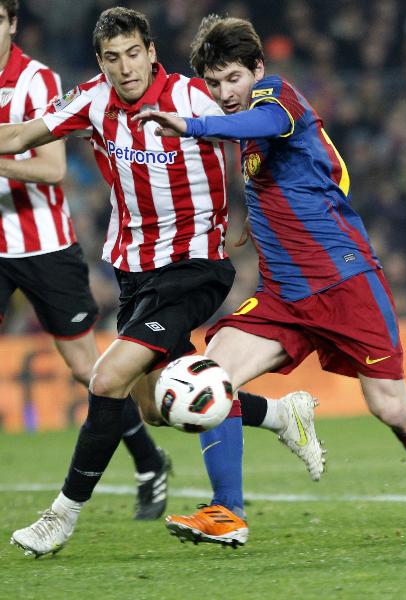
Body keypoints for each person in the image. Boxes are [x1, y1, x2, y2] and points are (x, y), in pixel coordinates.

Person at [5, 7, 324, 558]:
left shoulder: (193, 99)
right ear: (100, 63)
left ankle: (60, 517)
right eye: (112, 58)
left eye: (133, 53)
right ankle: (279, 414)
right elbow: (21, 136)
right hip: (132, 272)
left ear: (151, 52)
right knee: (158, 407)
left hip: (194, 268)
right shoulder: (90, 99)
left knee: (106, 380)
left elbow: (261, 127)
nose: (125, 68)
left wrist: (260, 213)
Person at [134, 14, 406, 548]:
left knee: (391, 408)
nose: (225, 93)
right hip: (284, 296)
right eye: (214, 85)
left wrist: (191, 124)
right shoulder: (245, 128)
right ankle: (226, 512)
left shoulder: (277, 96)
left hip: (345, 284)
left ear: (257, 69)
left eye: (233, 78)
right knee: (211, 376)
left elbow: (260, 126)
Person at [0, 0, 172, 523]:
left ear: (10, 23)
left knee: (85, 369)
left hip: (44, 247)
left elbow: (52, 169)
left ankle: (149, 462)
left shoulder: (36, 80)